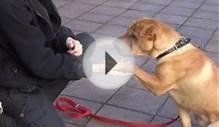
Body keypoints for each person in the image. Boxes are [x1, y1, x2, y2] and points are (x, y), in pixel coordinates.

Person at [0, 0, 95, 126]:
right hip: (11, 86)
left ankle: (38, 108)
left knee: (85, 43)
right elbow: (42, 63)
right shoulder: (8, 6)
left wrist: (66, 39)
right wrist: (91, 68)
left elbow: (51, 27)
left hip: (27, 67)